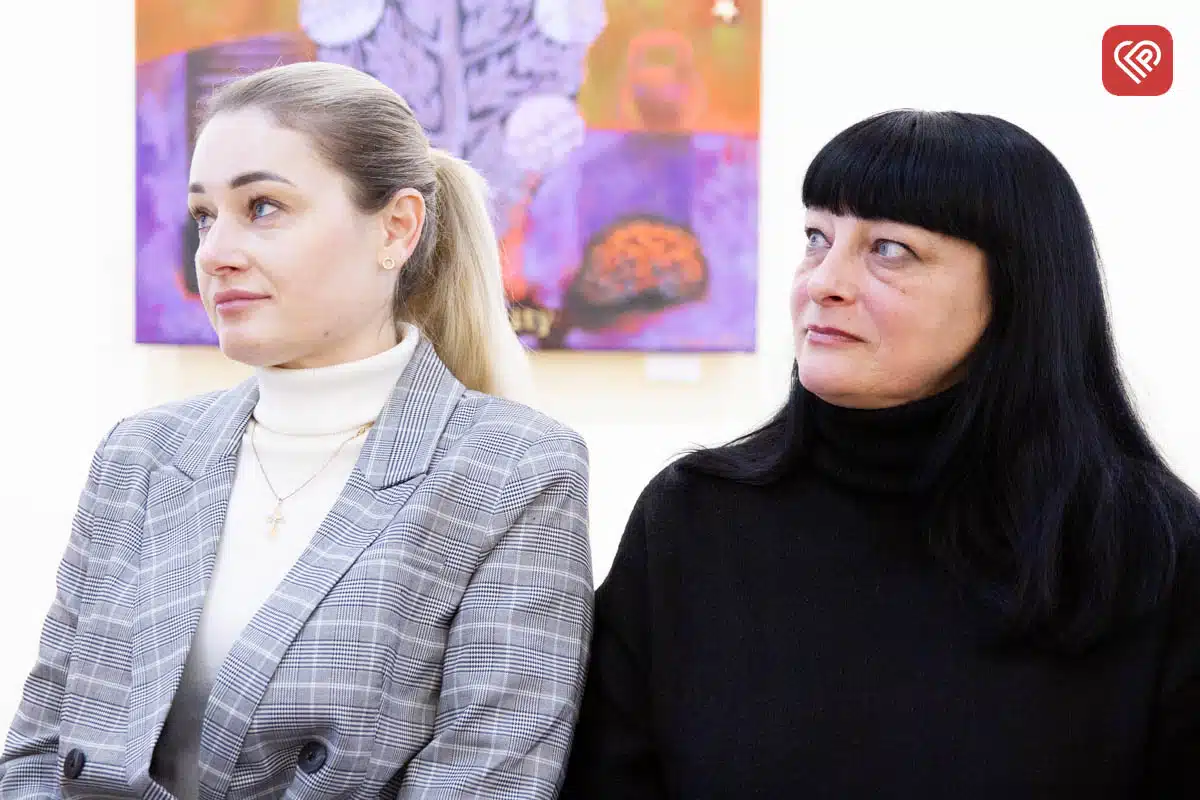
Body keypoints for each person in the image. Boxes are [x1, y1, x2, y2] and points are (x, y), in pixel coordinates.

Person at [560, 110, 1200, 798]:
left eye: (889, 250)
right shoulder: (693, 519)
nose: (823, 283)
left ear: (1017, 290)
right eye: (816, 238)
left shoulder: (1149, 544)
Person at [1, 61, 592, 800]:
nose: (214, 253)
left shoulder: (515, 470)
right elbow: (38, 752)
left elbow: (486, 783)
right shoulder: (141, 453)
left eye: (263, 207)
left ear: (397, 228)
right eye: (205, 215)